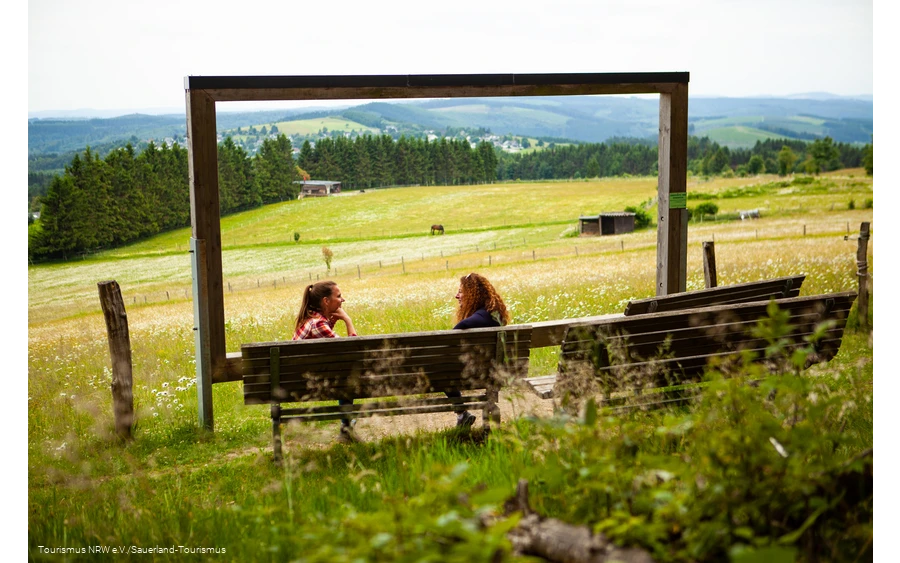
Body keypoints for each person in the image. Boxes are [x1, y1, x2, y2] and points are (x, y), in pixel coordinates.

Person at [293, 280, 359, 443]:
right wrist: (347, 321)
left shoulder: (312, 321)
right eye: (339, 296)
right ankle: (346, 427)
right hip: (310, 384)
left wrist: (332, 319)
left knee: (343, 372)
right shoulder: (318, 325)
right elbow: (352, 351)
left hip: (297, 380)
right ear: (326, 301)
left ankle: (346, 427)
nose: (342, 300)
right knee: (349, 373)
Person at [448, 272, 512, 427]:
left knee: (439, 365)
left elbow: (453, 334)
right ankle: (463, 415)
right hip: (493, 374)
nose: (457, 296)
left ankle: (462, 413)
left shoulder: (478, 319)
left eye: (461, 292)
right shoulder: (496, 316)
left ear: (472, 294)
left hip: (472, 375)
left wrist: (459, 327)